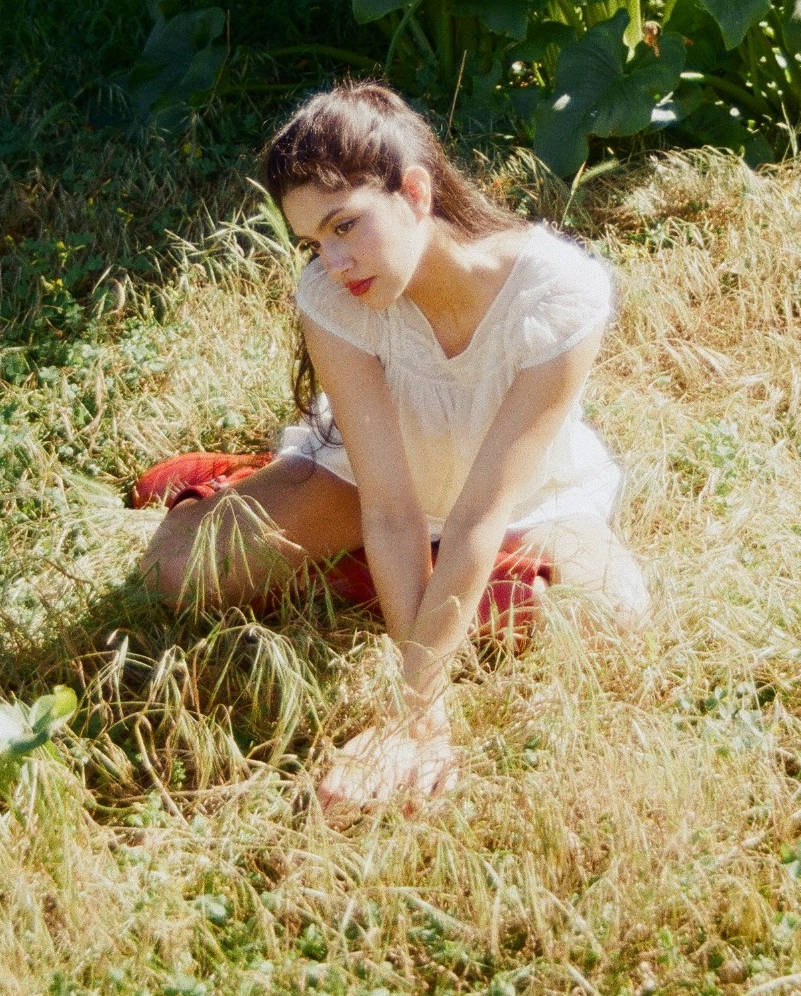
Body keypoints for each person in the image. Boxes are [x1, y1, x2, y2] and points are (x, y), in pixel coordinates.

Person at [137, 82, 646, 813]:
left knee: (613, 619)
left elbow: (480, 513)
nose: (334, 262)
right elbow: (390, 507)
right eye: (315, 242)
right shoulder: (333, 299)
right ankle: (310, 516)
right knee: (172, 570)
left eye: (345, 225)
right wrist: (423, 712)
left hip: (526, 502)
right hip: (371, 486)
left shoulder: (558, 291)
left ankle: (397, 584)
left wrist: (414, 713)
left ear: (413, 191)